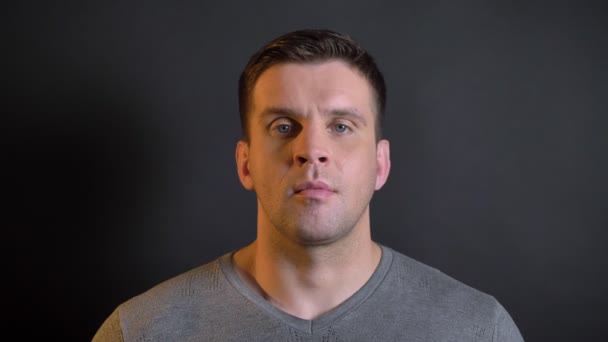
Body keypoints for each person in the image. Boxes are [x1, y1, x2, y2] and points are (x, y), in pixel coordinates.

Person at [92, 29, 524, 341]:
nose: (311, 149)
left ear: (380, 163)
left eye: (341, 126)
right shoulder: (142, 331)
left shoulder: (476, 329)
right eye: (283, 126)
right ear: (245, 163)